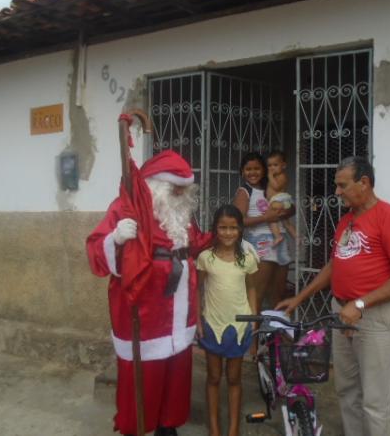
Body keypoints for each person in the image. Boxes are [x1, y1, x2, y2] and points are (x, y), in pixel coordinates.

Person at [276, 156, 390, 436]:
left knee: (375, 401)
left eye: (342, 185)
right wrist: (300, 298)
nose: (337, 192)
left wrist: (361, 303)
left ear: (364, 183)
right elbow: (334, 265)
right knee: (347, 391)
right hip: (342, 315)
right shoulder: (347, 221)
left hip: (373, 317)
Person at [86, 150, 212, 436]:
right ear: (155, 185)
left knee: (177, 373)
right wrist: (115, 238)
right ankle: (138, 427)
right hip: (145, 311)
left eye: (185, 190)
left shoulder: (180, 214)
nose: (181, 194)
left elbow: (196, 243)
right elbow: (95, 250)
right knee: (145, 377)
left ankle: (167, 426)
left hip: (180, 309)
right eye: (175, 189)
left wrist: (223, 236)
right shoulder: (125, 208)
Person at [196, 204, 258, 436]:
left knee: (234, 378)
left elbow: (251, 289)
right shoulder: (206, 258)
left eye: (233, 227)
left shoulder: (247, 260)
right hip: (213, 323)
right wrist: (198, 320)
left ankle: (232, 429)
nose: (228, 232)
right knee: (213, 376)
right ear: (215, 229)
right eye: (223, 227)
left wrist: (253, 320)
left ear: (240, 229)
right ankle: (214, 427)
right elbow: (197, 288)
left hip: (239, 326)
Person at [233, 152, 295, 319]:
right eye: (248, 169)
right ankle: (251, 342)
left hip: (280, 241)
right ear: (242, 171)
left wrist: (288, 210)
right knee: (257, 297)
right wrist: (266, 218)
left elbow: (291, 208)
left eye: (256, 168)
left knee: (278, 295)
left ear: (264, 170)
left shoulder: (271, 188)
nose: (252, 173)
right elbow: (237, 221)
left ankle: (275, 341)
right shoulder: (244, 191)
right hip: (260, 243)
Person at [266, 150, 297, 246]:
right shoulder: (277, 176)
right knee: (286, 222)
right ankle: (296, 236)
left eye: (275, 165)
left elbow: (276, 187)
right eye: (270, 166)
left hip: (279, 200)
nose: (272, 168)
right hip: (281, 201)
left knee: (270, 217)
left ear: (283, 165)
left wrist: (270, 176)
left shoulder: (282, 176)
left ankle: (278, 236)